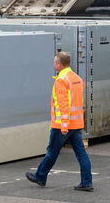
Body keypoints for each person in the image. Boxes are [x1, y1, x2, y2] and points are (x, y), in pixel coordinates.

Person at [26, 51, 93, 192]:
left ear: (58, 63)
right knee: (81, 154)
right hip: (76, 124)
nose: (54, 64)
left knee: (52, 152)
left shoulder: (61, 80)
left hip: (63, 125)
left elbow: (63, 104)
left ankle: (40, 176)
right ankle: (87, 182)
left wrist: (63, 124)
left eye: (55, 62)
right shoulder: (77, 78)